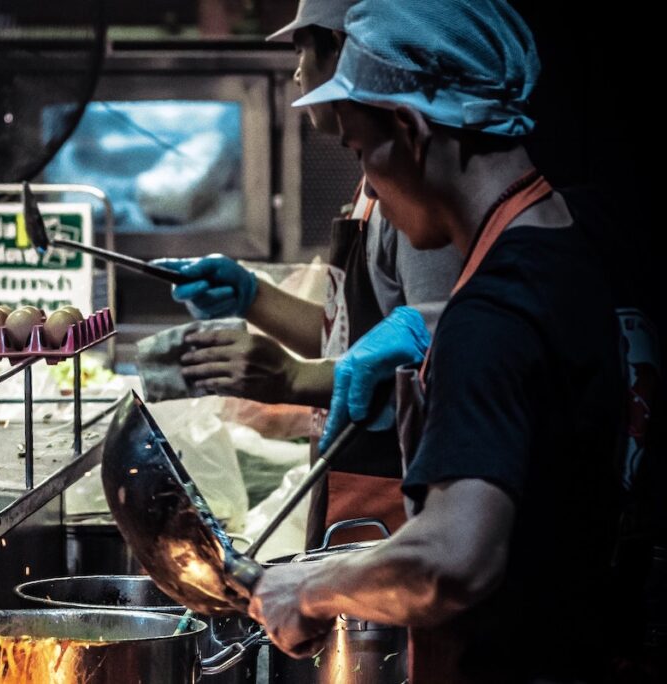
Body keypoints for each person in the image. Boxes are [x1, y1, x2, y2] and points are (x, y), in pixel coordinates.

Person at [246, 1, 626, 681]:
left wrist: (308, 588)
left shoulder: (490, 315)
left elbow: (456, 557)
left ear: (412, 132)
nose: (371, 189)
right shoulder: (561, 243)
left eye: (362, 154)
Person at [154, 0, 462, 548]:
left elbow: (440, 359)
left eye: (302, 49)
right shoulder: (372, 188)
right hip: (347, 471)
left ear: (347, 53)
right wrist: (251, 297)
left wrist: (293, 379)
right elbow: (347, 339)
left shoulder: (414, 194)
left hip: (392, 487)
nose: (296, 71)